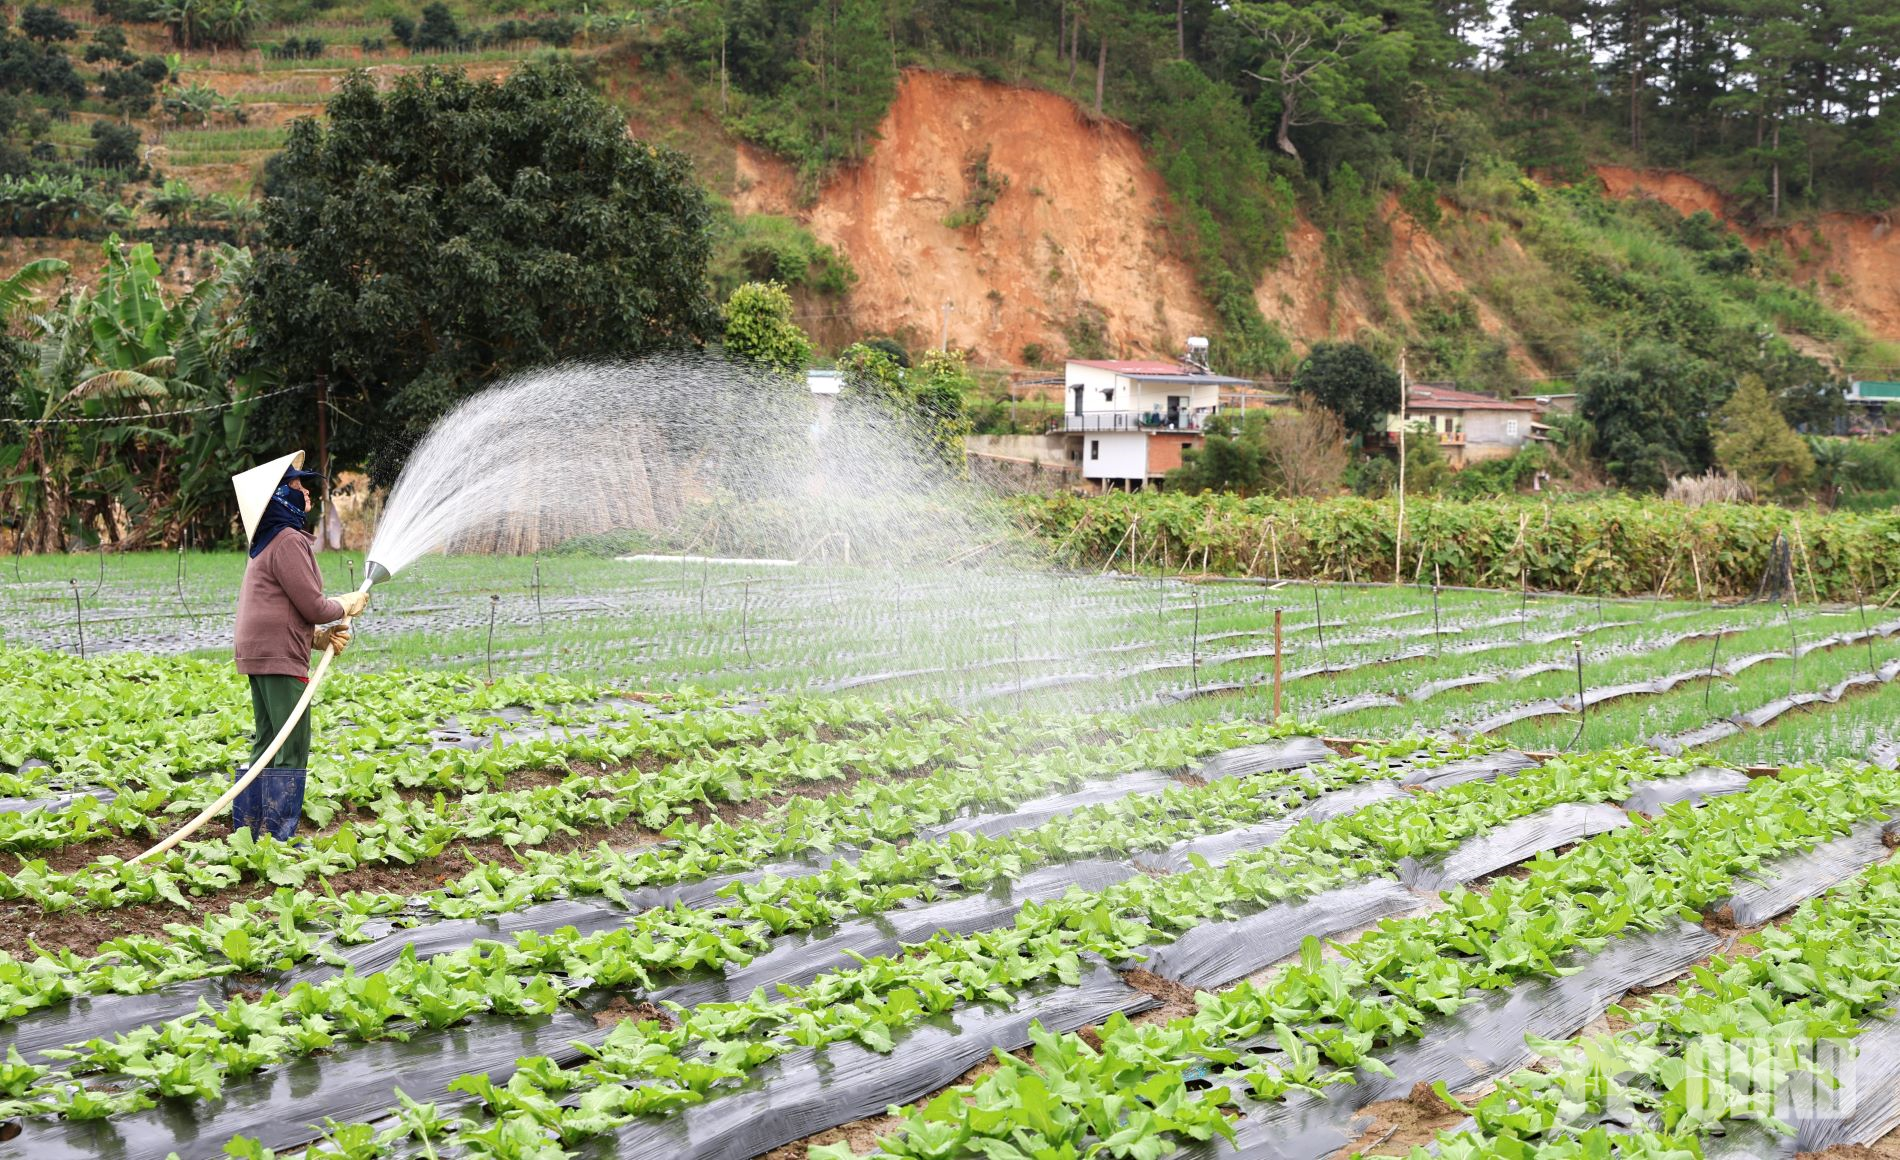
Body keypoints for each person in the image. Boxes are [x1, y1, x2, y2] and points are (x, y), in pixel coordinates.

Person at [231, 457, 369, 841]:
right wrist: (345, 604)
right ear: (279, 497)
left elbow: (278, 608)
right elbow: (311, 606)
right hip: (277, 654)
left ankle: (248, 831)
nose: (305, 491)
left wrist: (317, 638)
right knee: (290, 743)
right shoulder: (289, 540)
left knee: (267, 742)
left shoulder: (269, 542)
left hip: (260, 650)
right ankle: (277, 836)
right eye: (297, 486)